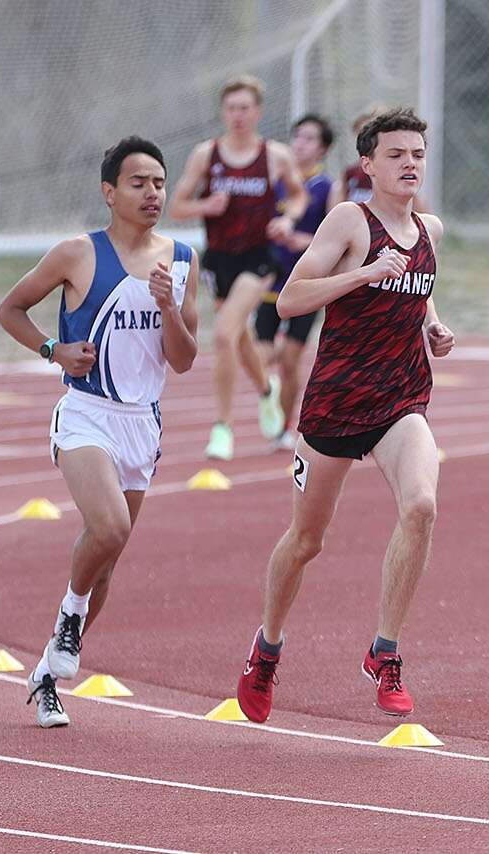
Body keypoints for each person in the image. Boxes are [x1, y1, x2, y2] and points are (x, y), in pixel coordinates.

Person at [235, 107, 455, 723]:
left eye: (417, 153)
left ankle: (385, 653)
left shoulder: (431, 229)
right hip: (335, 404)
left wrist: (434, 325)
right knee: (307, 540)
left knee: (422, 506)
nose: (409, 163)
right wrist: (362, 273)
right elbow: (291, 299)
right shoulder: (349, 221)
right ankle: (267, 649)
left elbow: (420, 285)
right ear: (368, 165)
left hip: (401, 399)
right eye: (396, 155)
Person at [0, 137, 199, 727]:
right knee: (108, 527)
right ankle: (69, 619)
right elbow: (10, 309)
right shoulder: (76, 254)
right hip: (86, 413)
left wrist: (167, 308)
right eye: (138, 183)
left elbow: (183, 360)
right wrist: (53, 349)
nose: (152, 193)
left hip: (144, 425)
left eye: (160, 182)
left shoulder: (182, 260)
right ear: (110, 192)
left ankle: (49, 673)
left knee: (106, 559)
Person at [169, 74, 307, 459]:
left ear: (258, 111)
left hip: (259, 257)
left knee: (224, 334)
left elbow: (297, 196)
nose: (238, 115)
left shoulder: (274, 155)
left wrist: (288, 219)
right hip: (219, 258)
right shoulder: (205, 155)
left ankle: (223, 427)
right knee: (239, 335)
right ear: (223, 112)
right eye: (231, 108)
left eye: (245, 108)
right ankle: (267, 392)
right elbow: (177, 207)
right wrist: (205, 207)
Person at [255, 114, 337, 451]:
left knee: (289, 360)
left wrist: (305, 241)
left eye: (309, 138)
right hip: (268, 282)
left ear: (323, 148)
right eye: (297, 136)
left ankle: (280, 429)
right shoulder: (276, 182)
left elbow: (334, 235)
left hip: (305, 286)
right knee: (259, 357)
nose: (300, 143)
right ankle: (268, 392)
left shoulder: (327, 187)